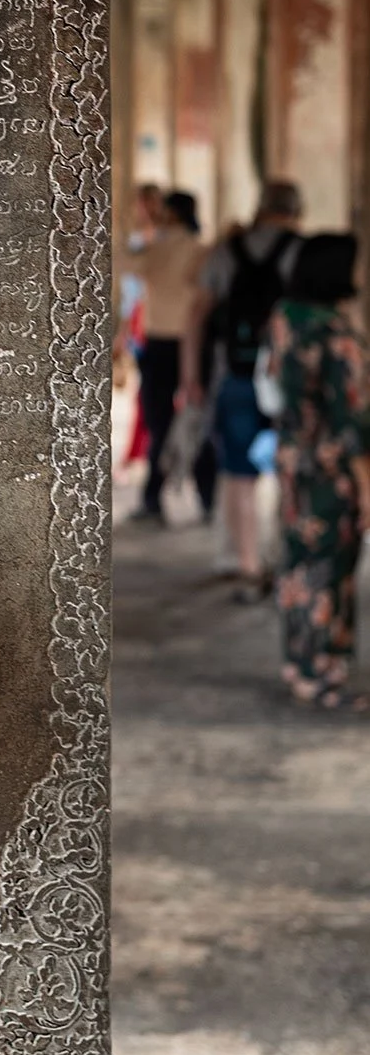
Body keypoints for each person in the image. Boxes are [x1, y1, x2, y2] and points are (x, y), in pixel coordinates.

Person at [184, 181, 303, 600]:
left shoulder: (226, 251)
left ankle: (249, 565)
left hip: (233, 373)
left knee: (239, 472)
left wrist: (190, 376)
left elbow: (196, 315)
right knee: (293, 467)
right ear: (296, 210)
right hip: (288, 379)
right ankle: (287, 558)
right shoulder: (301, 252)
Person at [268, 234, 370, 710]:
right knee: (331, 567)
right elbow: (352, 424)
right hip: (331, 469)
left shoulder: (286, 319)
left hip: (293, 457)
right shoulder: (338, 336)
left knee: (297, 561)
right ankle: (322, 673)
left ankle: (298, 663)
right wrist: (367, 488)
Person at [122, 187, 209, 520]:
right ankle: (208, 497)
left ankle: (152, 499)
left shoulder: (154, 249)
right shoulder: (200, 250)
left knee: (160, 424)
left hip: (159, 345)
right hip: (194, 343)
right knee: (199, 420)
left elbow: (122, 261)